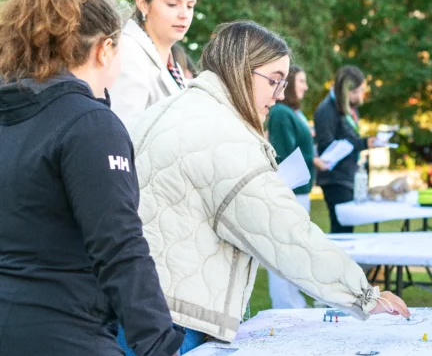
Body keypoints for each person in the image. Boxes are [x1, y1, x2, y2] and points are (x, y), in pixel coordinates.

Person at [129, 21, 410, 344]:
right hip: (171, 319)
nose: (279, 96)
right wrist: (364, 296)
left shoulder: (170, 109)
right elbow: (286, 233)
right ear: (240, 70)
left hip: (133, 301)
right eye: (274, 82)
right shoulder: (224, 136)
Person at [0, 0, 183, 356]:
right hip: (66, 333)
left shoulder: (15, 115)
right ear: (105, 49)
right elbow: (119, 246)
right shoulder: (90, 124)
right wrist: (161, 345)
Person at [266, 65, 329, 309]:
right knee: (285, 252)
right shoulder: (281, 113)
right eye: (301, 81)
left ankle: (293, 304)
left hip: (300, 192)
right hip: (290, 192)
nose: (306, 86)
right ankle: (285, 307)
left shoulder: (291, 112)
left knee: (295, 252)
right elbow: (285, 154)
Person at [110, 0, 199, 127]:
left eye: (190, 6)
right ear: (143, 3)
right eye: (172, 4)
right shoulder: (128, 53)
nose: (184, 15)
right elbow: (125, 134)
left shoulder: (172, 64)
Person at [314, 66, 376, 233]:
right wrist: (362, 144)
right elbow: (328, 147)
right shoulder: (325, 111)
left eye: (360, 90)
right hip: (334, 180)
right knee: (341, 229)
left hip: (348, 176)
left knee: (348, 227)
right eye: (354, 92)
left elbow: (349, 138)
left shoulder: (350, 108)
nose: (358, 96)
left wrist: (366, 142)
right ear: (343, 90)